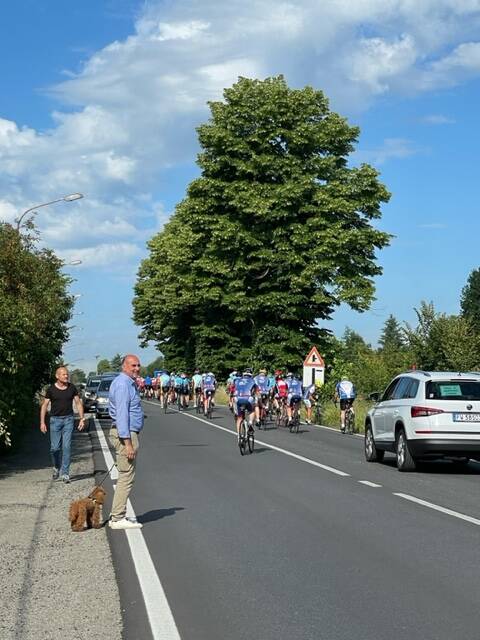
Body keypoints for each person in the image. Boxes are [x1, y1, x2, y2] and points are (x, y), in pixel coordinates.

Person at [108, 354, 144, 530]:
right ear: (124, 366)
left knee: (126, 474)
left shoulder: (127, 383)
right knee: (126, 476)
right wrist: (128, 443)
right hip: (126, 435)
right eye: (133, 366)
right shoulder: (123, 385)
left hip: (128, 433)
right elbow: (122, 416)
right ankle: (117, 517)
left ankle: (117, 513)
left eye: (138, 365)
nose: (136, 368)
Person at [40, 366, 86, 483]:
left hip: (68, 420)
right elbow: (44, 406)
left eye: (67, 374)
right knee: (55, 448)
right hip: (55, 421)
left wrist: (82, 418)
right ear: (57, 376)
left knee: (66, 447)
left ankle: (65, 473)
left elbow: (78, 403)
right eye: (64, 374)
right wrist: (42, 422)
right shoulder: (51, 390)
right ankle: (56, 467)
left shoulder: (72, 388)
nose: (66, 376)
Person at [234, 369, 257, 441]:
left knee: (239, 418)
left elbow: (233, 390)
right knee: (252, 410)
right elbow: (256, 393)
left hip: (238, 399)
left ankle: (239, 436)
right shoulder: (253, 381)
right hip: (248, 398)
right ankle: (250, 423)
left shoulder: (237, 381)